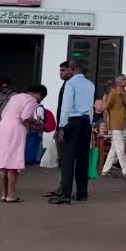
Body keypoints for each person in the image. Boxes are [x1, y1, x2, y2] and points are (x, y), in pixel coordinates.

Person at [48, 61, 94, 205]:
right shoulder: (90, 84)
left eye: (66, 70)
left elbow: (66, 107)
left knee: (67, 160)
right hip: (86, 122)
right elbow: (91, 108)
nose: (63, 73)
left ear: (73, 70)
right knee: (83, 159)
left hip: (72, 122)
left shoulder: (70, 84)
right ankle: (82, 193)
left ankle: (65, 195)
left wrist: (61, 127)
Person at [0, 84, 45, 202]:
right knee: (13, 163)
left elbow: (3, 114)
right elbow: (25, 116)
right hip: (15, 130)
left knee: (3, 163)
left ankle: (4, 194)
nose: (39, 100)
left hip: (2, 128)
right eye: (41, 98)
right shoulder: (31, 100)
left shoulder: (15, 97)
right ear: (38, 94)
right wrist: (37, 124)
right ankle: (11, 196)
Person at [100, 74, 126, 179]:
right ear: (118, 82)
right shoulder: (113, 93)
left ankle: (105, 171)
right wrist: (106, 124)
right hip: (115, 124)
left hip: (123, 123)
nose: (125, 80)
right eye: (123, 79)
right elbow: (106, 107)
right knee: (120, 148)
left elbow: (124, 106)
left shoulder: (125, 92)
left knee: (114, 149)